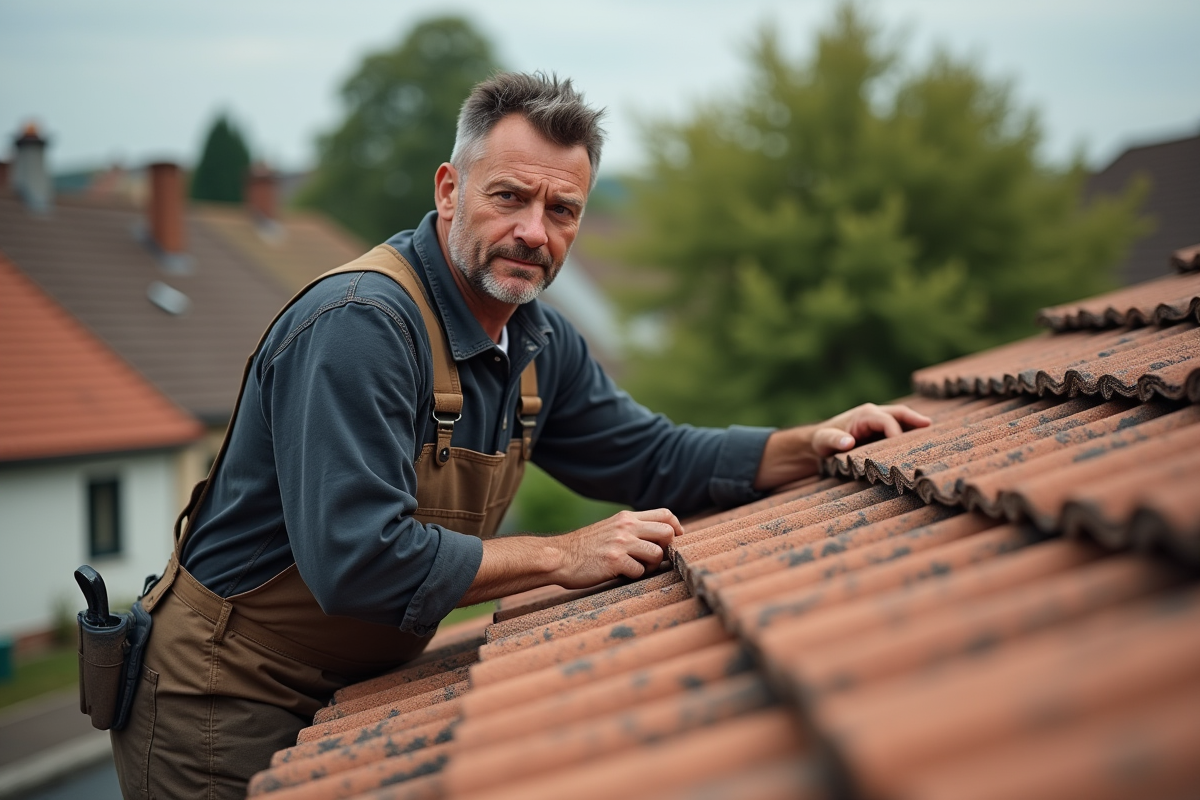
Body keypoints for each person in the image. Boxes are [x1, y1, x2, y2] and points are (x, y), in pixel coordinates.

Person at [110, 72, 928, 799]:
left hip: (356, 697)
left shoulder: (539, 341)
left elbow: (650, 456)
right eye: (509, 197)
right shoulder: (361, 326)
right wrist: (559, 555)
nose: (535, 231)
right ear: (449, 191)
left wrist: (804, 446)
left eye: (561, 209)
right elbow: (358, 560)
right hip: (225, 699)